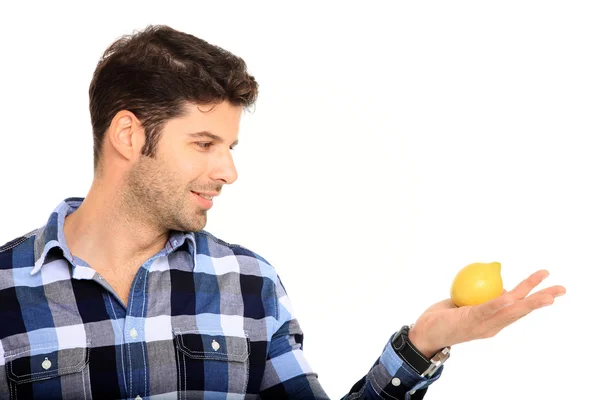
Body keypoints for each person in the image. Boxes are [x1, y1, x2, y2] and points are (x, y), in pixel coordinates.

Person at [0, 25, 566, 400]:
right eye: (204, 144)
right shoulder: (5, 290)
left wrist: (419, 346)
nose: (229, 171)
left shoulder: (248, 284)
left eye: (230, 147)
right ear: (128, 134)